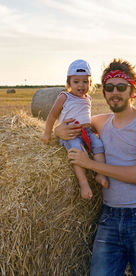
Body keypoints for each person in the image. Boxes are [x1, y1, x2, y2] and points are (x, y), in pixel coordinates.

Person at [55, 58, 136, 276]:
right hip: (109, 218)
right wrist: (58, 131)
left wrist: (90, 164)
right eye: (109, 87)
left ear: (133, 91)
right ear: (103, 92)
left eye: (121, 87)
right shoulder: (101, 122)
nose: (115, 92)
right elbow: (72, 124)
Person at [41, 59, 109, 199]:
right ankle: (83, 183)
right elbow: (52, 115)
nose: (81, 85)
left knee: (99, 145)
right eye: (76, 81)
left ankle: (100, 174)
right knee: (77, 153)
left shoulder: (88, 98)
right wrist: (47, 133)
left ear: (90, 83)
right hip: (70, 135)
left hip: (87, 133)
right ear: (69, 83)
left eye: (85, 81)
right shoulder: (64, 96)